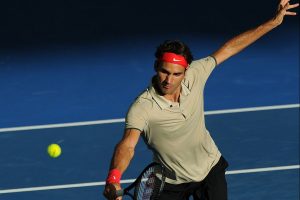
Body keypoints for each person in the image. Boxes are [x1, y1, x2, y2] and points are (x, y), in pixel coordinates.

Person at [103, 0, 299, 199]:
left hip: (209, 170)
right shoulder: (142, 107)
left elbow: (229, 48)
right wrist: (113, 178)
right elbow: (127, 145)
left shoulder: (196, 73)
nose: (169, 80)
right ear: (156, 66)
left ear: (186, 71)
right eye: (164, 72)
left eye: (176, 74)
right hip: (171, 182)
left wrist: (272, 23)